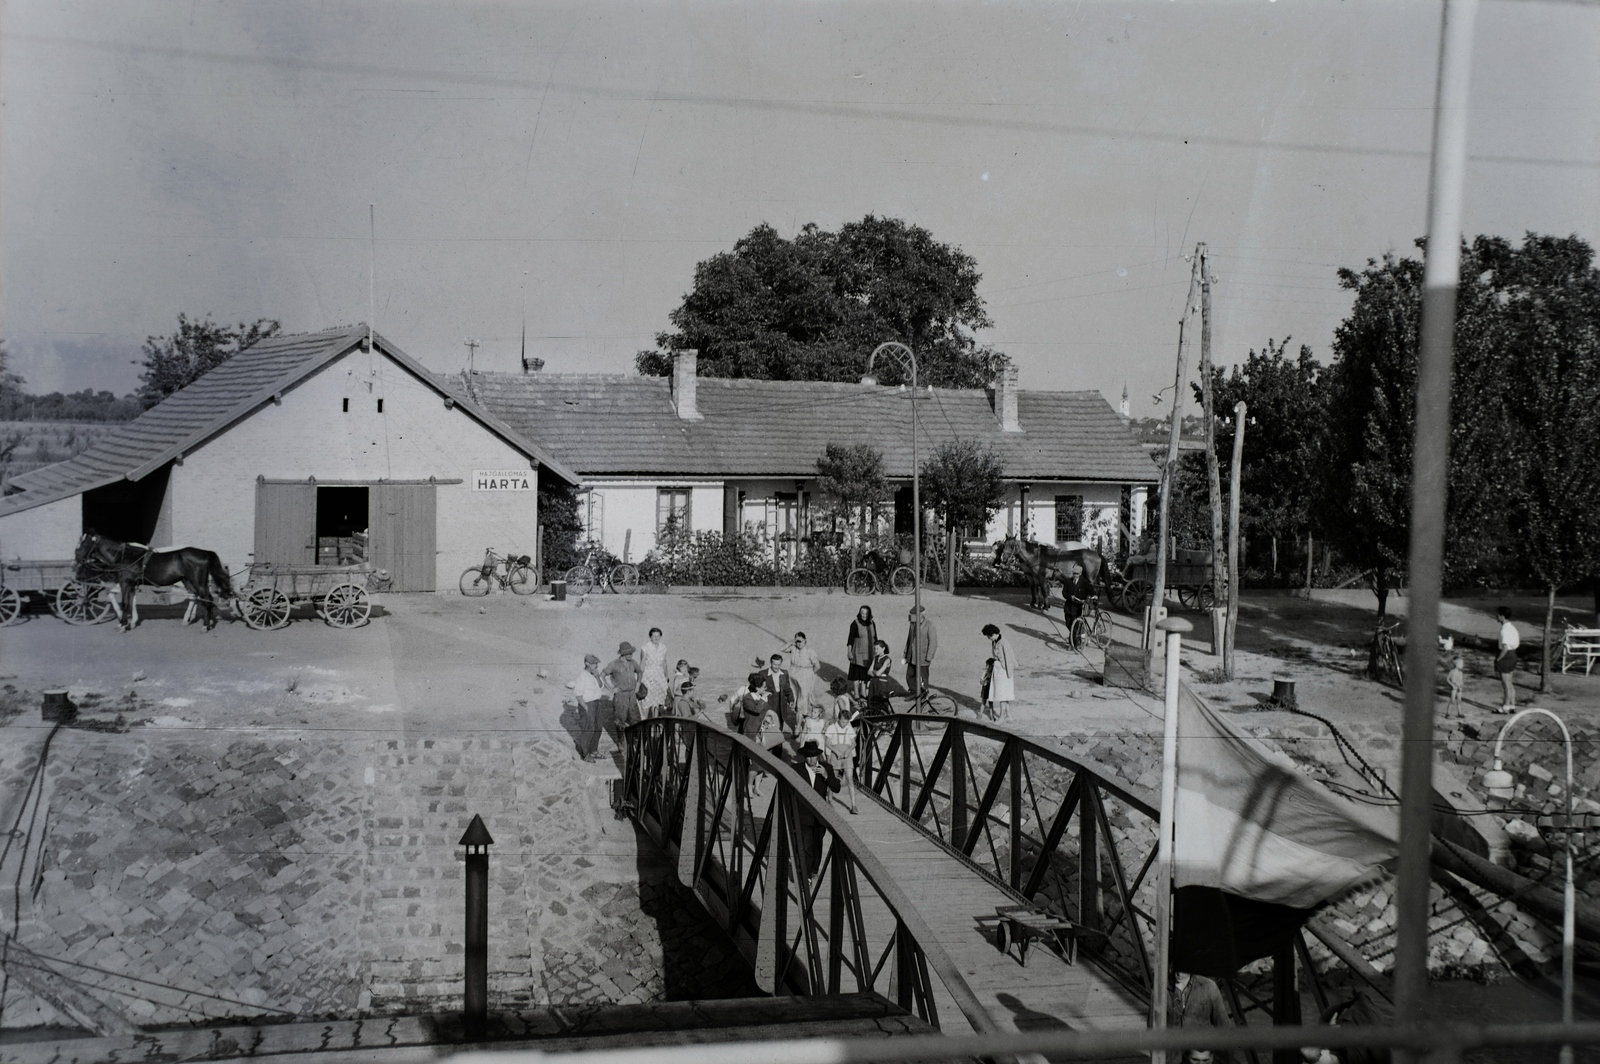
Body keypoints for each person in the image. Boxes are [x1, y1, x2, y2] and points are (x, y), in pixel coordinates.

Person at [794, 740, 841, 873]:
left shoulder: (826, 768)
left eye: (814, 756)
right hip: (803, 814)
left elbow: (836, 788)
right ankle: (805, 875)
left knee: (817, 845)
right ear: (804, 757)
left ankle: (813, 870)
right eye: (809, 757)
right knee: (806, 845)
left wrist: (826, 776)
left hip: (820, 816)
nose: (812, 760)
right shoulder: (796, 770)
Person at [1168, 970, 1233, 1064]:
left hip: (1200, 1055)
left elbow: (1224, 1027)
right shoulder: (1160, 989)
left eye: (1184, 969)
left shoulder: (1209, 987)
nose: (1179, 974)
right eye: (1176, 969)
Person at [823, 677, 861, 815]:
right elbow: (852, 703)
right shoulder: (846, 696)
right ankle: (852, 804)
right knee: (846, 776)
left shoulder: (839, 699)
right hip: (844, 729)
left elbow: (844, 713)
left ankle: (830, 799)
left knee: (831, 771)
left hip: (841, 728)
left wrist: (835, 720)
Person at [569, 652, 609, 761]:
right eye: (593, 664)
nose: (595, 666)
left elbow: (601, 686)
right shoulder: (582, 677)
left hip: (597, 703)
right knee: (589, 729)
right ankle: (585, 754)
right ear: (586, 663)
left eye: (596, 663)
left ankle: (594, 750)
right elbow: (578, 695)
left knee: (598, 728)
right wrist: (585, 707)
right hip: (588, 705)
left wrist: (597, 677)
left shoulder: (594, 674)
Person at [602, 641, 644, 727]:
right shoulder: (614, 664)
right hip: (621, 695)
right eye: (630, 653)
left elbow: (639, 672)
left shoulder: (633, 662)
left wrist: (638, 684)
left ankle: (635, 740)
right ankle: (621, 740)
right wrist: (610, 689)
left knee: (636, 719)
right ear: (624, 654)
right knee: (620, 720)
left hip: (632, 694)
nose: (632, 655)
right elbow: (602, 675)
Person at [982, 623, 1016, 721]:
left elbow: (1009, 658)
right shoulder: (996, 641)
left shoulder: (1003, 643)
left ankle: (1001, 717)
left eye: (989, 636)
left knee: (1002, 694)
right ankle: (1008, 715)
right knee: (1004, 693)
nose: (988, 638)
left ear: (993, 634)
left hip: (1003, 670)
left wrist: (1008, 673)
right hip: (998, 669)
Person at [760, 652, 799, 735]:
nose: (777, 667)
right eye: (774, 665)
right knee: (768, 726)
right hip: (768, 703)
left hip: (781, 704)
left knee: (779, 727)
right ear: (771, 663)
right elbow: (758, 690)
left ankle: (778, 746)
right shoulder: (763, 674)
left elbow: (788, 689)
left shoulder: (784, 673)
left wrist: (791, 700)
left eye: (779, 665)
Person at [904, 605, 938, 698]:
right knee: (910, 676)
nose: (911, 617)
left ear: (920, 615)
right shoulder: (912, 624)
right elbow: (909, 639)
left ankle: (924, 696)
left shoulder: (929, 625)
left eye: (913, 614)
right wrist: (905, 654)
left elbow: (933, 642)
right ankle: (914, 692)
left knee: (923, 678)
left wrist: (929, 657)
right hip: (912, 656)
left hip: (923, 658)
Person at [846, 606, 878, 700]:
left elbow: (875, 637)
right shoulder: (855, 623)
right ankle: (856, 692)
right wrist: (849, 652)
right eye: (862, 613)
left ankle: (863, 692)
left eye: (866, 613)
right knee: (856, 673)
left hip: (869, 652)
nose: (864, 615)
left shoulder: (872, 623)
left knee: (865, 673)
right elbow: (850, 639)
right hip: (858, 652)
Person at [784, 631, 821, 711]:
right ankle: (796, 710)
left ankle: (803, 713)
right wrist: (793, 641)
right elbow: (782, 648)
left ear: (805, 641)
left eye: (801, 641)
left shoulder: (810, 651)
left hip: (805, 674)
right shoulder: (793, 648)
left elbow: (817, 666)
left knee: (804, 696)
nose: (799, 644)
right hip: (793, 673)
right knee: (794, 693)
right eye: (797, 641)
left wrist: (810, 673)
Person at [639, 627, 670, 717]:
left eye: (658, 636)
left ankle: (655, 719)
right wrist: (640, 676)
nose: (656, 638)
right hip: (648, 674)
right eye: (654, 636)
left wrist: (666, 675)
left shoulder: (663, 647)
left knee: (658, 698)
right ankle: (644, 719)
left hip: (659, 674)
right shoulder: (645, 648)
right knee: (647, 697)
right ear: (650, 637)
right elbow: (642, 662)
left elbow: (664, 662)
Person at [1495, 607, 1519, 714]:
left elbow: (1504, 648)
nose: (1496, 616)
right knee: (1509, 683)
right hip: (1513, 654)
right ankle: (1512, 705)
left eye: (1498, 615)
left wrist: (1498, 659)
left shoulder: (1504, 630)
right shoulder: (1513, 628)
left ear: (1502, 616)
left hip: (1506, 655)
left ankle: (1505, 706)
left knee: (1505, 684)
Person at [867, 639, 894, 715]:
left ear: (883, 648)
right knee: (871, 702)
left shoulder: (887, 659)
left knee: (881, 703)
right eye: (875, 649)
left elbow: (878, 673)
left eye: (877, 649)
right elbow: (869, 671)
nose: (875, 651)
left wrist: (874, 672)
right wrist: (875, 673)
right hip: (874, 683)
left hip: (882, 684)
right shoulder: (875, 658)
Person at [1445, 653, 1465, 720]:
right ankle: (1447, 713)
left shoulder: (1461, 673)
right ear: (1456, 665)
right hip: (1454, 688)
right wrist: (1452, 685)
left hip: (1459, 688)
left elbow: (1462, 680)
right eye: (1461, 664)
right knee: (1452, 700)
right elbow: (1447, 679)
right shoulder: (1452, 672)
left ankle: (1459, 713)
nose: (1463, 665)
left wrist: (1461, 685)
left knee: (1459, 700)